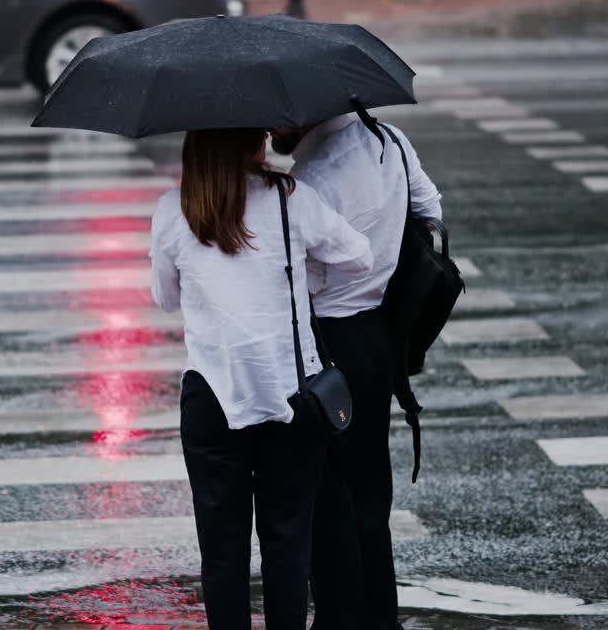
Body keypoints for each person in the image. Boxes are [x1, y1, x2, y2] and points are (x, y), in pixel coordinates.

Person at [150, 127, 374, 630]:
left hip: (212, 396)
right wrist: (307, 279)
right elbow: (359, 257)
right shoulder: (290, 198)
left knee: (222, 553)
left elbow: (165, 298)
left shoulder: (173, 208)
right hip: (291, 392)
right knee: (288, 546)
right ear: (254, 144)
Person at [269, 114, 442, 630]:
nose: (270, 126)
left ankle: (341, 618)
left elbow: (310, 280)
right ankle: (379, 616)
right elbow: (430, 211)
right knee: (370, 488)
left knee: (330, 491)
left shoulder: (314, 177)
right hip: (378, 337)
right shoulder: (389, 138)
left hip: (330, 343)